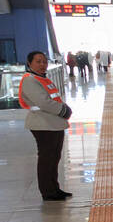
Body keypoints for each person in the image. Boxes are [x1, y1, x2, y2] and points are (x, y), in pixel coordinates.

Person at [18, 51, 73, 201]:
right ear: (29, 63)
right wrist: (64, 110)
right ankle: (48, 192)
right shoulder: (30, 80)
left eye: (44, 61)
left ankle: (54, 188)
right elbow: (43, 102)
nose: (42, 64)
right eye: (38, 61)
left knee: (54, 157)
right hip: (42, 124)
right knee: (46, 158)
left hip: (53, 123)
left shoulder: (42, 78)